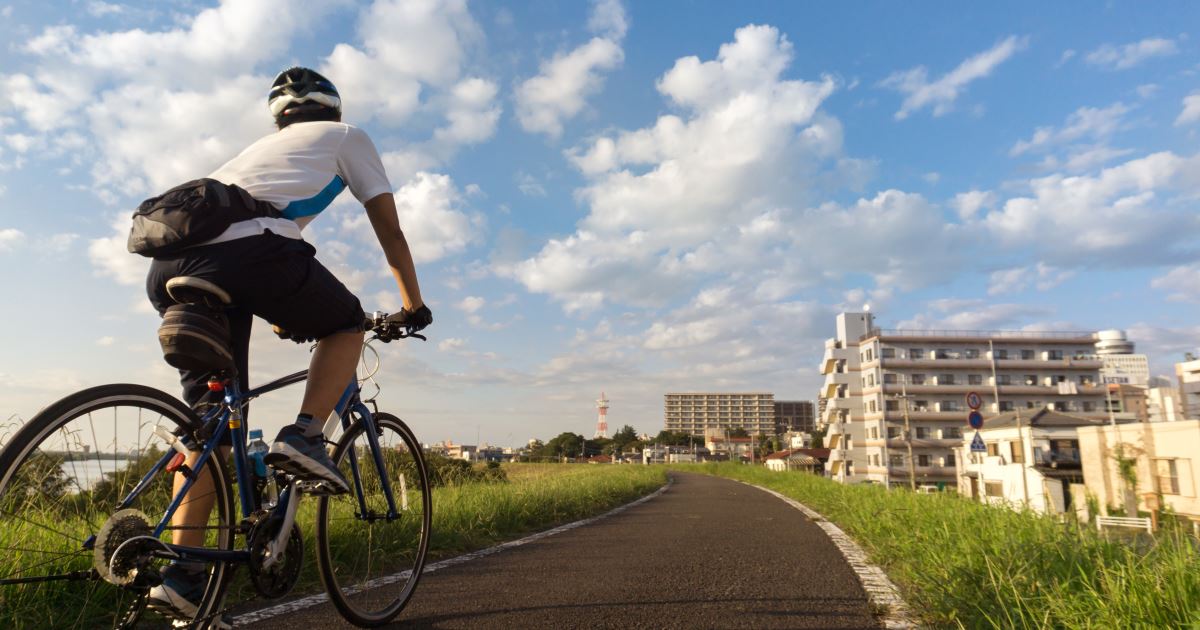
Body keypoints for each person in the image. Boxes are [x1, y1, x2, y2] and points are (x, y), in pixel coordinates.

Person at [143, 66, 431, 619]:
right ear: (334, 109)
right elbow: (390, 230)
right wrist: (413, 304)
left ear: (280, 118)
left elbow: (250, 239)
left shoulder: (254, 156)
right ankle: (303, 437)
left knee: (208, 431)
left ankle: (182, 575)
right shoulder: (348, 138)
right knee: (346, 323)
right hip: (249, 253)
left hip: (170, 265)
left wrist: (281, 311)